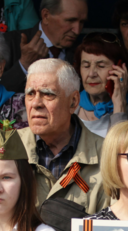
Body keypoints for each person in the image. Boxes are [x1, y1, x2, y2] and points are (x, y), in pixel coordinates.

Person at [17, 59, 108, 214]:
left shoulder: (107, 155)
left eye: (48, 94)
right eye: (30, 94)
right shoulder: (9, 147)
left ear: (73, 102)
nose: (36, 103)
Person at [0, 0, 88, 94]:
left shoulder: (82, 52)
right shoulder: (9, 42)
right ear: (46, 16)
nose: (77, 30)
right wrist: (23, 65)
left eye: (82, 22)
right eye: (70, 20)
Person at [73, 33, 128, 138]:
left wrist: (119, 106)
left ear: (120, 69)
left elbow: (122, 147)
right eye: (86, 66)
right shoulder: (70, 105)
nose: (91, 74)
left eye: (101, 66)